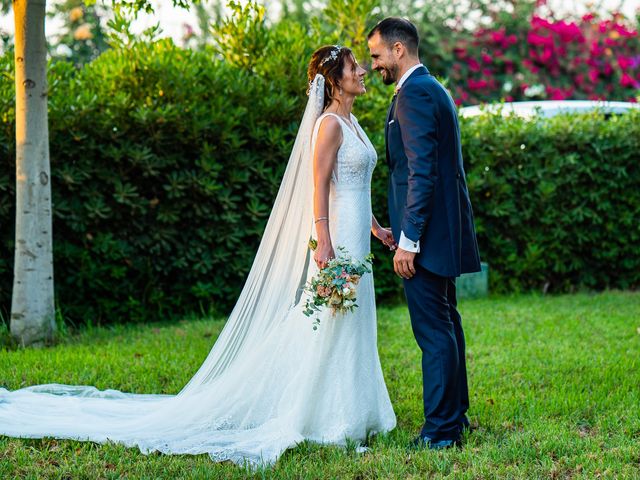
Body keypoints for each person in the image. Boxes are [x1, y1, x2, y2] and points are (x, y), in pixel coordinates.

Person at [0, 45, 396, 467]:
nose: (363, 72)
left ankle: (355, 409)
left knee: (349, 319)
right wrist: (325, 243)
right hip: (336, 239)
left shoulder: (352, 122)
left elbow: (352, 186)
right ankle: (324, 415)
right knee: (328, 320)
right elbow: (319, 188)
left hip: (357, 239)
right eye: (355, 67)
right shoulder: (329, 126)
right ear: (335, 79)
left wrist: (376, 227)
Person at [368, 18, 482, 449]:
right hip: (439, 234)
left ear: (399, 50)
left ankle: (439, 431)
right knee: (447, 325)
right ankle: (455, 418)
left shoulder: (414, 93)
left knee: (434, 332)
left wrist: (408, 241)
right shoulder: (432, 88)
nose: (373, 64)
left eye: (377, 55)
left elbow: (420, 173)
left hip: (426, 239)